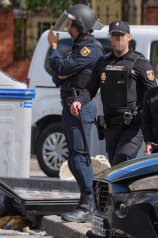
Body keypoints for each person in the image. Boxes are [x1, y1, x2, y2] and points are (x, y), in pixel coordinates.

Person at [71, 20, 157, 166]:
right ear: (110, 37)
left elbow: (153, 92)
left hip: (133, 126)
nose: (117, 39)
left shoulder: (139, 63)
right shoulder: (102, 62)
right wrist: (78, 101)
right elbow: (90, 89)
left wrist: (148, 111)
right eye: (114, 35)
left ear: (129, 37)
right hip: (111, 126)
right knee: (116, 167)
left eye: (121, 35)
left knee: (123, 159)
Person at [48, 4, 104, 223]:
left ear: (82, 26)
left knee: (79, 157)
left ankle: (88, 205)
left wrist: (53, 48)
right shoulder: (79, 47)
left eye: (71, 26)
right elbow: (57, 76)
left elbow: (61, 69)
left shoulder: (91, 49)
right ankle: (85, 201)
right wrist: (62, 69)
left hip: (80, 107)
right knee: (73, 158)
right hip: (70, 106)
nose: (68, 30)